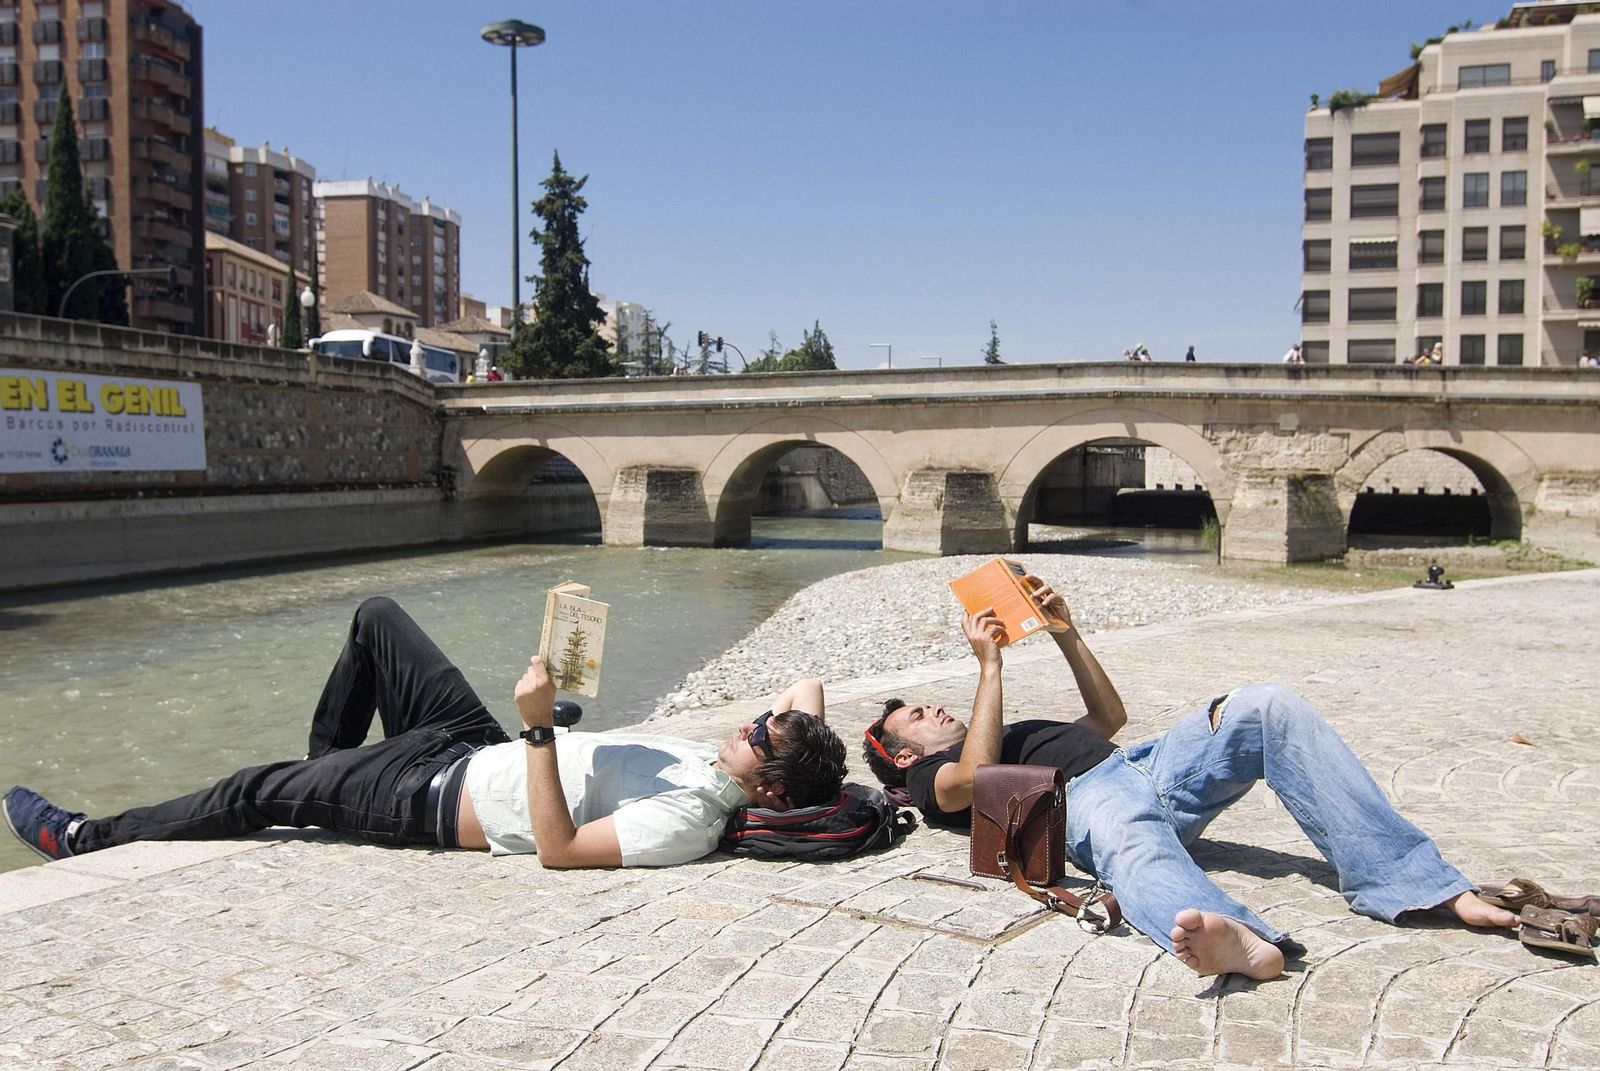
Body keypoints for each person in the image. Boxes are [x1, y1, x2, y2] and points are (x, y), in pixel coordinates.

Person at [859, 583, 1517, 981]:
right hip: (1087, 797)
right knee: (1132, 843)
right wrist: (990, 665)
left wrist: (1067, 633)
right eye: (915, 716)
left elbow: (1109, 718)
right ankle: (1233, 935)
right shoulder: (928, 778)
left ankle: (1414, 880)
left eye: (925, 701)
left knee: (1264, 704)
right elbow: (973, 776)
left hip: (1151, 765)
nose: (931, 708)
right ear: (899, 753)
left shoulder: (1000, 730)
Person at [5, 597, 847, 870]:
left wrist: (540, 731)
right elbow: (806, 685)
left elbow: (557, 848)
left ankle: (85, 836)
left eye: (758, 735)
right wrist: (806, 734)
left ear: (769, 785)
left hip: (427, 795)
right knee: (378, 619)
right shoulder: (749, 766)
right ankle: (329, 769)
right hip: (461, 744)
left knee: (251, 792)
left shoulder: (689, 821)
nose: (746, 724)